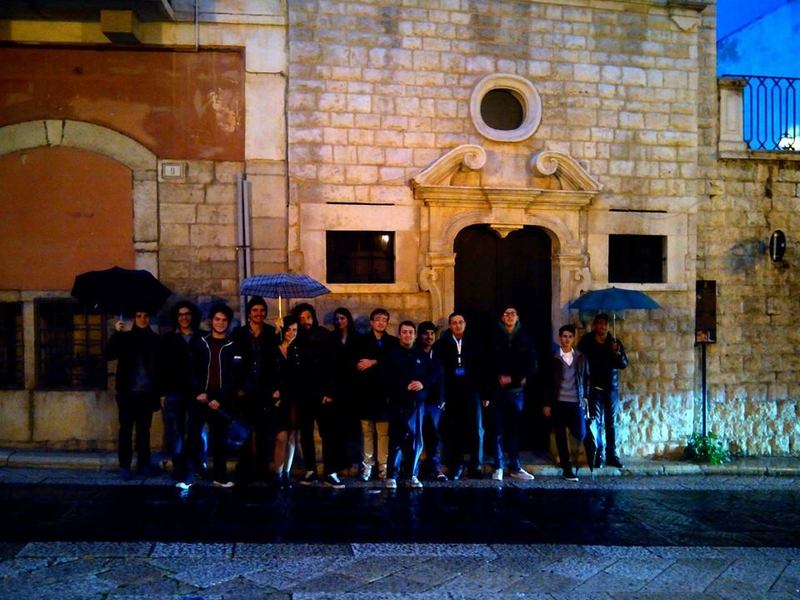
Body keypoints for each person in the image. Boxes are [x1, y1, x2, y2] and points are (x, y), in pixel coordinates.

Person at [190, 303, 244, 488]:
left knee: (220, 439)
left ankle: (219, 478)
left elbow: (234, 375)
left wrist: (219, 399)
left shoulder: (233, 346)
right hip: (201, 397)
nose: (220, 323)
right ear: (211, 321)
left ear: (228, 323)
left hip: (222, 399)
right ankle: (190, 474)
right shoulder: (200, 343)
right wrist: (199, 392)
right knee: (194, 436)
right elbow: (192, 370)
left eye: (224, 320)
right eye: (217, 319)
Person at [106, 309, 162, 480]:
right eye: (139, 316)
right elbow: (109, 354)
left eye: (146, 316)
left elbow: (160, 369)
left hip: (147, 393)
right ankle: (125, 465)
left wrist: (159, 393)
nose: (143, 319)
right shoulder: (126, 338)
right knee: (126, 430)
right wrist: (117, 333)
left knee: (144, 431)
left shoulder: (155, 340)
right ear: (134, 318)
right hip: (127, 393)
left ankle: (143, 463)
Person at [385, 321, 439, 489]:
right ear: (399, 334)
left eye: (410, 332)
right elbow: (386, 378)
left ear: (414, 335)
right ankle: (392, 476)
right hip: (398, 403)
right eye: (404, 332)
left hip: (417, 404)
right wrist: (404, 386)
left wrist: (423, 383)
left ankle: (412, 475)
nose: (407, 335)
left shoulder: (421, 354)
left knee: (416, 441)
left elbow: (435, 373)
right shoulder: (392, 354)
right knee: (397, 439)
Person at [434, 312, 489, 480]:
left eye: (460, 322)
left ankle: (476, 465)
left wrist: (485, 393)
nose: (457, 325)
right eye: (454, 323)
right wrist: (441, 396)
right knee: (454, 430)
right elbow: (439, 371)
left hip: (472, 390)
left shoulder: (475, 342)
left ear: (465, 324)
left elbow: (484, 369)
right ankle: (456, 465)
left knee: (477, 428)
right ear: (450, 325)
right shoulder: (442, 344)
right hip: (452, 392)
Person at [158, 300, 206, 488]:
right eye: (180, 315)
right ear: (176, 318)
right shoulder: (168, 339)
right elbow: (161, 367)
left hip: (196, 391)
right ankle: (179, 465)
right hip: (174, 390)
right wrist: (162, 392)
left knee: (197, 430)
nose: (184, 318)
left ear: (192, 316)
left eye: (187, 314)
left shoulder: (202, 337)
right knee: (176, 431)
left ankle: (198, 464)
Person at [231, 296, 278, 483]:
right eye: (255, 310)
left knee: (264, 432)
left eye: (262, 310)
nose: (259, 313)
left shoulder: (272, 332)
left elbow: (276, 361)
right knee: (245, 432)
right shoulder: (238, 333)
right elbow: (233, 361)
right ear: (249, 313)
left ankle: (262, 469)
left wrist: (281, 331)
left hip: (264, 390)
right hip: (245, 389)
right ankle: (245, 469)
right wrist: (237, 387)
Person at [489, 305, 537, 481]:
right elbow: (488, 363)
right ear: (502, 318)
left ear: (517, 317)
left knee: (514, 430)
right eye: (506, 314)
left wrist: (514, 378)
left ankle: (515, 467)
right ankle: (499, 466)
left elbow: (531, 365)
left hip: (516, 392)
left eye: (512, 314)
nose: (509, 316)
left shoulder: (525, 338)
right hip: (498, 390)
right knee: (497, 429)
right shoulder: (495, 337)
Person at [292, 302, 338, 486]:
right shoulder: (295, 337)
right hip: (303, 393)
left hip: (323, 393)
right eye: (301, 318)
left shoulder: (324, 336)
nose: (306, 321)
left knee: (328, 433)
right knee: (305, 433)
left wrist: (330, 391)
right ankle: (310, 470)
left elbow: (333, 365)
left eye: (308, 317)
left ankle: (330, 471)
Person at [577, 313, 629, 469]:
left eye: (605, 324)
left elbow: (623, 364)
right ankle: (597, 454)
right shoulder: (587, 341)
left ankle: (611, 455)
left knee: (611, 423)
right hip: (594, 388)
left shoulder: (614, 342)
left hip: (610, 389)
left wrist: (616, 352)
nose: (603, 327)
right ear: (595, 325)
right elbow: (579, 357)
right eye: (600, 323)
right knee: (596, 423)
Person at [354, 308, 398, 481]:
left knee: (383, 433)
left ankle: (383, 467)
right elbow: (358, 364)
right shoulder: (361, 341)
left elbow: (393, 363)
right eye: (378, 319)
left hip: (384, 394)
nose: (381, 322)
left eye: (384, 320)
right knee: (367, 432)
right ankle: (367, 466)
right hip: (366, 392)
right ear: (371, 322)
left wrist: (374, 362)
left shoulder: (393, 342)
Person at [544, 324, 591, 482]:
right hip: (558, 401)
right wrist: (547, 403)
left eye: (570, 337)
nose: (567, 340)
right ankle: (567, 467)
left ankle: (578, 458)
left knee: (580, 432)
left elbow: (587, 378)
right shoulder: (553, 358)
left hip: (575, 401)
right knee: (560, 435)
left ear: (574, 338)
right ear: (560, 338)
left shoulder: (580, 357)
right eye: (564, 336)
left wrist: (585, 397)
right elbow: (547, 382)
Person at [323, 307, 360, 485]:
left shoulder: (356, 338)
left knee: (348, 432)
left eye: (342, 318)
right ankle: (331, 470)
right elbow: (328, 366)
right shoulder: (331, 339)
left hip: (351, 391)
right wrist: (328, 391)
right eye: (337, 318)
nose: (339, 321)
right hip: (335, 390)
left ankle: (344, 465)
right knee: (332, 433)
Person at [267, 315, 301, 489]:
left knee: (292, 437)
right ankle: (278, 473)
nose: (291, 333)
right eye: (288, 329)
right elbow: (267, 372)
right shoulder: (274, 349)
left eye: (295, 330)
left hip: (294, 397)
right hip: (279, 399)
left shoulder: (298, 350)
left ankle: (286, 472)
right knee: (281, 437)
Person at [416, 320, 447, 481]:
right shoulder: (414, 353)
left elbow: (442, 377)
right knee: (416, 435)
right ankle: (415, 469)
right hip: (418, 400)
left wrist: (442, 399)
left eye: (432, 333)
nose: (429, 337)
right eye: (425, 334)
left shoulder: (438, 353)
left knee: (434, 436)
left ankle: (435, 467)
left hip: (435, 402)